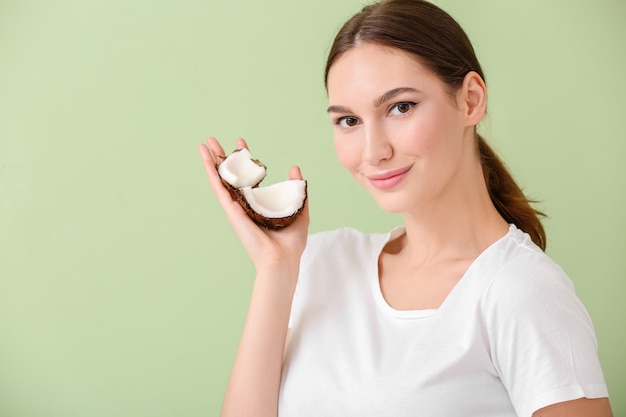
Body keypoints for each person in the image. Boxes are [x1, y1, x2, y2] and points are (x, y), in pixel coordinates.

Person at [198, 0, 613, 416]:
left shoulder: (521, 293)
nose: (374, 151)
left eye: (401, 107)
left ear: (470, 100)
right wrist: (276, 267)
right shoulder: (322, 262)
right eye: (348, 121)